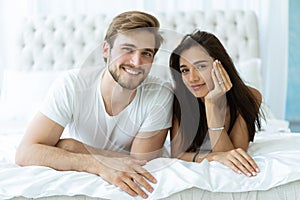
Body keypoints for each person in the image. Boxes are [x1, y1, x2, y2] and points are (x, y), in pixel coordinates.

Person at [15, 11, 173, 199]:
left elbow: (141, 164)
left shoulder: (160, 94)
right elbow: (26, 152)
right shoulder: (72, 84)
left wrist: (73, 147)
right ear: (106, 49)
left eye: (146, 53)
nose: (136, 62)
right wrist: (97, 164)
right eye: (128, 49)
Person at [169, 30, 263, 177]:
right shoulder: (179, 99)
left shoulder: (250, 97)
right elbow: (178, 154)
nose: (192, 78)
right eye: (185, 70)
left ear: (220, 65)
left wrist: (211, 104)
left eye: (201, 66)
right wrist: (213, 157)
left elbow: (233, 157)